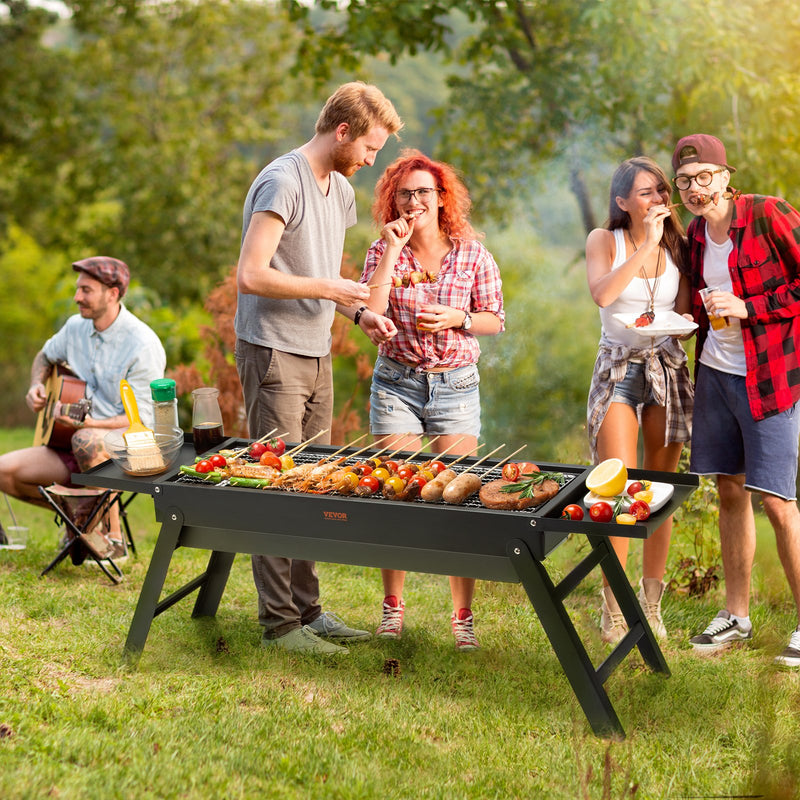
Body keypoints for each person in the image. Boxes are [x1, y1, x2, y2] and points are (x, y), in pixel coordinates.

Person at [234, 81, 403, 655]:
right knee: (277, 484)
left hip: (316, 349)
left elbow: (319, 274)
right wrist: (332, 286)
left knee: (310, 483)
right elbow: (252, 274)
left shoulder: (340, 191)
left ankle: (308, 611)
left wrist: (355, 315)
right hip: (272, 348)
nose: (370, 160)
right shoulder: (284, 180)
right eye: (369, 148)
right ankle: (279, 625)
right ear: (342, 131)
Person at [357, 149, 505, 651]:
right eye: (405, 193)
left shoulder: (472, 254)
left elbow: (494, 319)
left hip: (456, 385)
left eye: (424, 192)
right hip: (395, 382)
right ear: (392, 201)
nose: (415, 200)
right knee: (394, 493)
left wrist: (457, 319)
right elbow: (369, 311)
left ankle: (462, 616)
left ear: (442, 199)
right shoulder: (382, 250)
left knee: (457, 499)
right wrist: (394, 250)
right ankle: (392, 608)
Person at [671, 134, 800, 667]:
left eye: (704, 177)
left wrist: (752, 306)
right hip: (717, 374)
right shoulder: (697, 234)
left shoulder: (769, 214)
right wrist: (681, 323)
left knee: (777, 502)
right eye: (685, 182)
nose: (695, 189)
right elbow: (705, 306)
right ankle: (737, 615)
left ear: (725, 176)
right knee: (729, 491)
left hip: (771, 377)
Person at [585, 156, 694, 644]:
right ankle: (613, 607)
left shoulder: (679, 244)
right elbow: (604, 296)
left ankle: (650, 605)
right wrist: (645, 243)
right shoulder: (604, 240)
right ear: (622, 200)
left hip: (667, 366)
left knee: (660, 487)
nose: (657, 201)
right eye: (646, 193)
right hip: (619, 369)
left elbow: (684, 313)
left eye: (660, 191)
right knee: (617, 485)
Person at [0, 256, 166, 559]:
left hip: (124, 445)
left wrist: (89, 426)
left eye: (86, 290)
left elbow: (142, 419)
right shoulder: (75, 327)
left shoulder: (142, 343)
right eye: (78, 289)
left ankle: (114, 543)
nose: (77, 297)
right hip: (68, 438)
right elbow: (45, 356)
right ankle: (83, 527)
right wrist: (36, 385)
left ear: (113, 294)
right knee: (3, 471)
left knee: (86, 440)